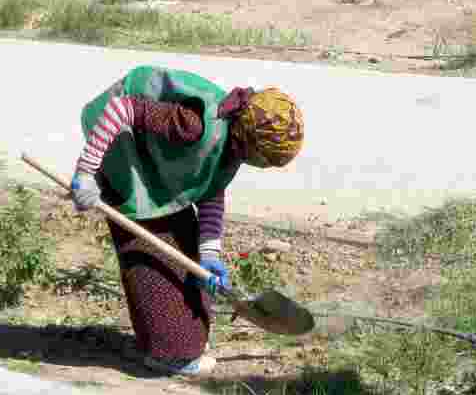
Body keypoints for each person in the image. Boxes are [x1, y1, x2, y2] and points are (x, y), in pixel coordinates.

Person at [69, 65, 304, 376]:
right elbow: (121, 109)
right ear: (248, 142)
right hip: (121, 152)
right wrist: (86, 172)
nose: (259, 165)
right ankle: (166, 354)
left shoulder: (231, 145)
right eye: (262, 160)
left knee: (191, 268)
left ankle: (181, 344)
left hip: (155, 164)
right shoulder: (193, 125)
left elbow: (211, 191)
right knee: (152, 258)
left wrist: (209, 254)